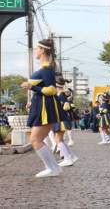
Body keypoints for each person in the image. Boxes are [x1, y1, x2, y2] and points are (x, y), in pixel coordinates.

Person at [20, 39, 64, 178]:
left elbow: (52, 90)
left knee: (35, 140)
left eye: (38, 48)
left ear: (43, 50)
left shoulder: (46, 69)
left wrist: (31, 87)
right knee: (36, 139)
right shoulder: (46, 68)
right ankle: (53, 168)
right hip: (40, 105)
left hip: (45, 107)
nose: (36, 50)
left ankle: (53, 168)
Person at [52, 76, 78, 167]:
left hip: (61, 119)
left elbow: (66, 107)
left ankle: (68, 159)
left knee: (58, 139)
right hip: (61, 119)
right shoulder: (60, 94)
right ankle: (71, 156)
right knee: (59, 139)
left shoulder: (61, 95)